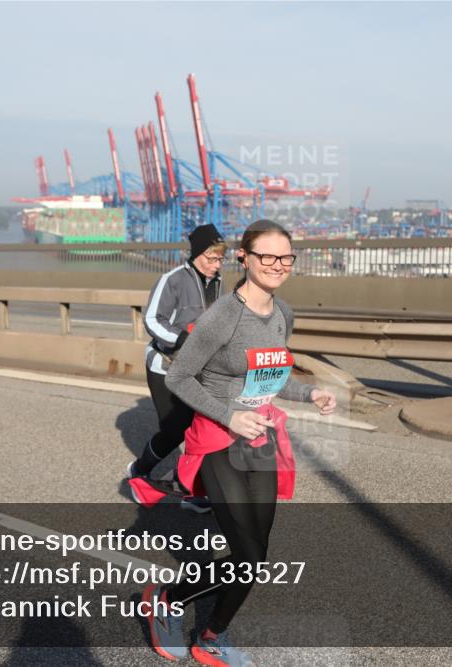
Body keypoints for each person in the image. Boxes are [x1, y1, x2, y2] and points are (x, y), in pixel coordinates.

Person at [141, 220, 337, 667]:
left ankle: (210, 634)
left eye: (285, 257)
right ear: (245, 258)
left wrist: (310, 393)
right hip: (216, 440)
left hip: (260, 438)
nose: (277, 265)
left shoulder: (283, 314)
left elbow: (270, 375)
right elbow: (178, 376)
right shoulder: (221, 318)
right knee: (247, 553)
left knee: (255, 557)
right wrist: (230, 415)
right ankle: (167, 599)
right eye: (266, 256)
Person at [126, 224, 227, 513]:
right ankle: (139, 469)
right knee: (175, 430)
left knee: (203, 428)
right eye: (211, 258)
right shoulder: (172, 280)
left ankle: (193, 491)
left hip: (200, 368)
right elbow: (152, 321)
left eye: (220, 259)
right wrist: (184, 338)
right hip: (166, 366)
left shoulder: (218, 283)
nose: (216, 265)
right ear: (196, 255)